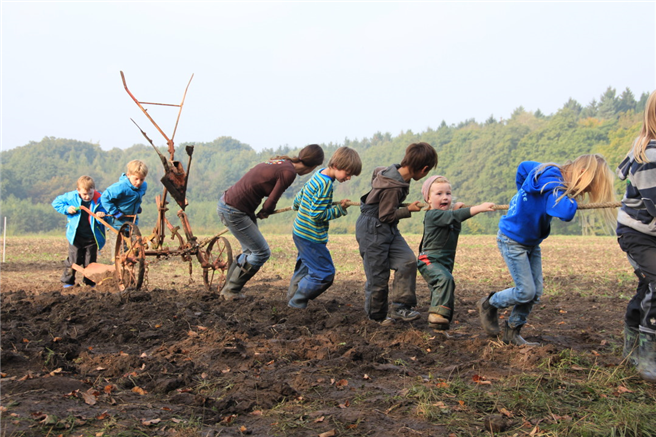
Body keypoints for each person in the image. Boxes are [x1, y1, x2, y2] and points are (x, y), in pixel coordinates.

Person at [478, 154, 616, 345]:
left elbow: (523, 167)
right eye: (587, 187)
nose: (582, 193)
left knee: (535, 292)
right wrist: (523, 196)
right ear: (582, 173)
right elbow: (564, 212)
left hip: (532, 241)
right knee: (525, 291)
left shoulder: (549, 179)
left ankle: (512, 332)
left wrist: (527, 200)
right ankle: (489, 303)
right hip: (512, 239)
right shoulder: (552, 181)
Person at [218, 144, 325, 300]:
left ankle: (228, 289)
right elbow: (272, 200)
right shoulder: (289, 172)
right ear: (313, 166)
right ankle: (230, 290)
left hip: (231, 204)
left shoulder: (283, 163)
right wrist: (265, 211)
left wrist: (263, 211)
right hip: (235, 210)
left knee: (250, 251)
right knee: (261, 253)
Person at [356, 142, 438, 324]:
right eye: (427, 171)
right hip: (373, 229)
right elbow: (386, 215)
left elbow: (377, 171)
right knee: (378, 277)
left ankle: (402, 306)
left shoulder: (391, 171)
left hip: (388, 229)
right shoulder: (393, 186)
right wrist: (408, 209)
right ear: (423, 169)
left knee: (407, 261)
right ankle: (376, 318)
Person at [287, 147, 362, 309]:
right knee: (324, 273)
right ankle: (297, 301)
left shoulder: (319, 174)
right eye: (347, 173)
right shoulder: (326, 185)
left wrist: (296, 204)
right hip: (310, 237)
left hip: (299, 231)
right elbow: (317, 214)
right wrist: (340, 209)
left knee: (306, 266)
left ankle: (293, 295)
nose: (348, 178)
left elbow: (302, 192)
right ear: (335, 165)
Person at [417, 176, 495, 330]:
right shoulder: (433, 215)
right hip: (429, 260)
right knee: (445, 280)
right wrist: (479, 208)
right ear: (428, 199)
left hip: (446, 261)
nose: (445, 197)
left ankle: (440, 326)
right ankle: (437, 316)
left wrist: (455, 211)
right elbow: (453, 217)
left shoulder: (447, 216)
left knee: (444, 290)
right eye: (439, 194)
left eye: (448, 193)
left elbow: (453, 219)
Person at [616, 90, 656, 381]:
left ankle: (631, 348)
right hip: (638, 233)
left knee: (648, 287)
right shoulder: (649, 155)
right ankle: (647, 358)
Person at [52, 175, 107, 288]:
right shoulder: (71, 197)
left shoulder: (100, 198)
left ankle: (89, 282)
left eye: (90, 194)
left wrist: (102, 215)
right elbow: (56, 203)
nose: (87, 197)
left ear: (94, 190)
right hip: (76, 236)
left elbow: (107, 211)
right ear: (78, 191)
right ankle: (68, 282)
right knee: (74, 260)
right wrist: (67, 209)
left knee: (90, 262)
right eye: (84, 194)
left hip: (92, 237)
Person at [100, 160, 149, 257]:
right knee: (120, 252)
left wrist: (136, 207)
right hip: (117, 224)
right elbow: (104, 198)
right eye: (136, 179)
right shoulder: (120, 187)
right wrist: (114, 212)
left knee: (135, 248)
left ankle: (132, 269)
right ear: (128, 175)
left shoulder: (143, 186)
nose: (138, 182)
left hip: (132, 222)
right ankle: (117, 269)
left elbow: (135, 198)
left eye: (142, 179)